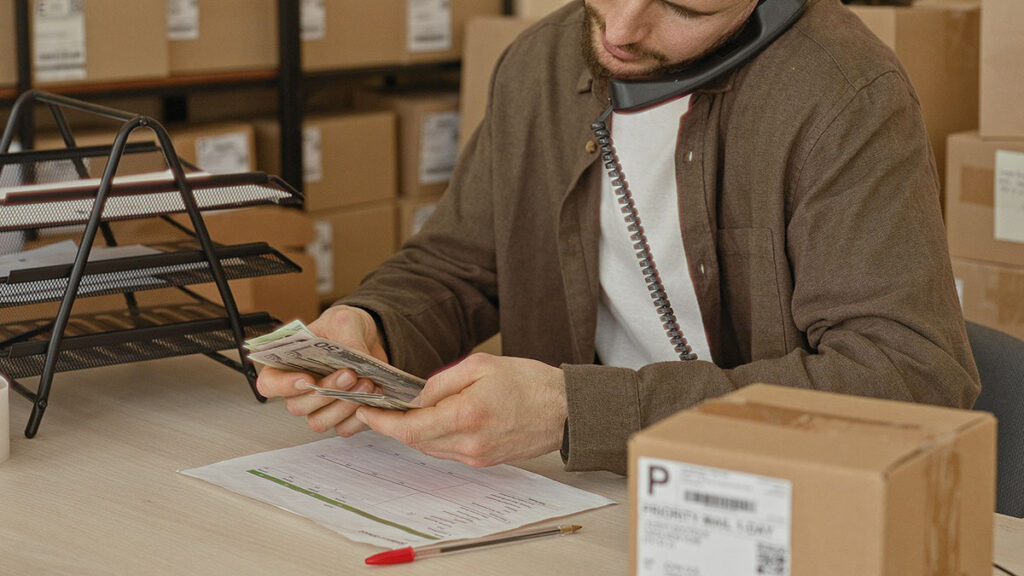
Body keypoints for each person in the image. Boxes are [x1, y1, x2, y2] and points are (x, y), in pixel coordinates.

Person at [257, 0, 980, 475]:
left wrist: (576, 409)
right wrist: (373, 323)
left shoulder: (845, 94)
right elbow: (461, 264)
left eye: (685, 6)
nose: (622, 30)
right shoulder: (539, 60)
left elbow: (910, 377)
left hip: (760, 505)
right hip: (574, 499)